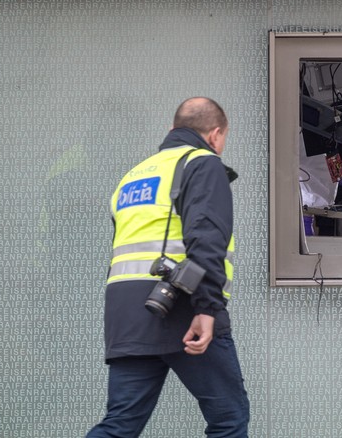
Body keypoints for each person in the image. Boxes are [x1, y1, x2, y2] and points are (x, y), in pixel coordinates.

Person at [86, 97, 250, 438]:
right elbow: (205, 240)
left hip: (128, 315)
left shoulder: (134, 176)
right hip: (183, 306)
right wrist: (207, 310)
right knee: (228, 420)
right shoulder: (201, 163)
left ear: (172, 130)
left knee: (120, 424)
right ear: (217, 134)